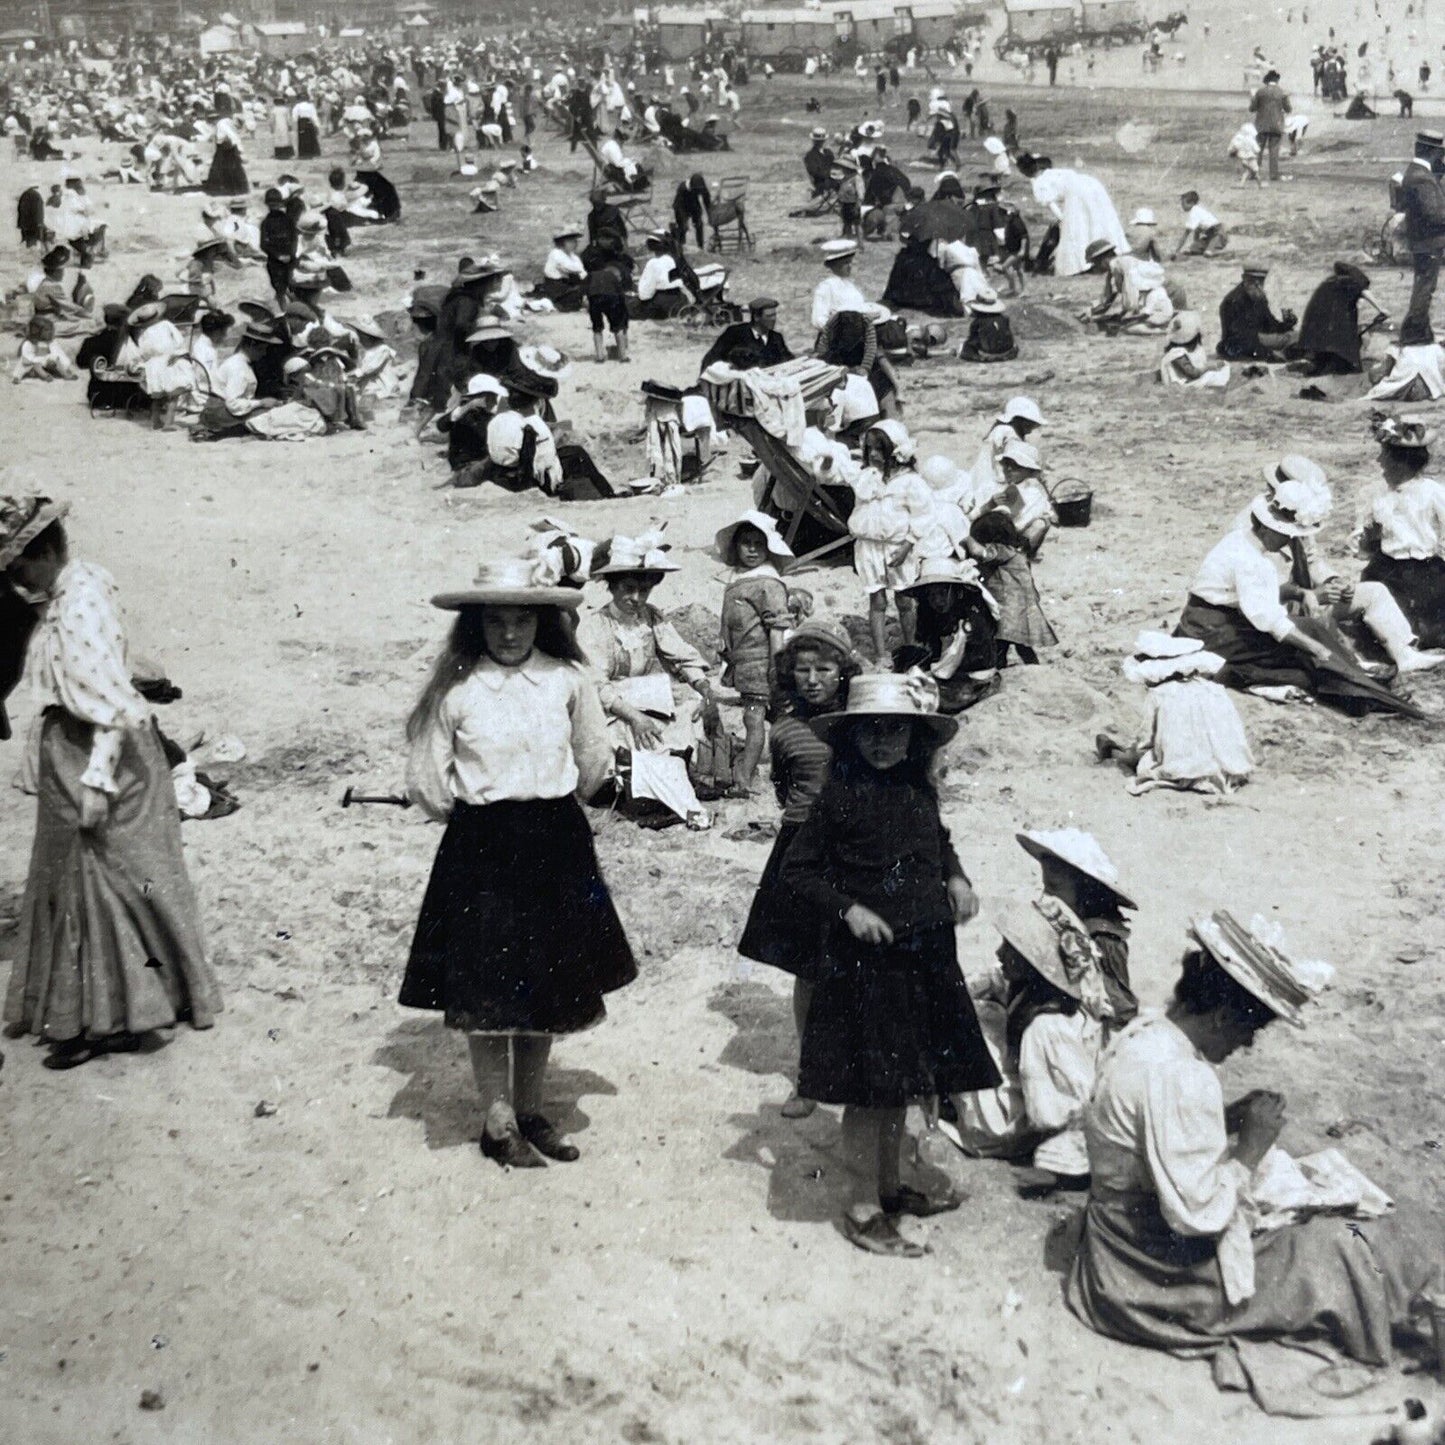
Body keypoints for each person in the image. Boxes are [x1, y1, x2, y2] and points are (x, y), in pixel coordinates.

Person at [1067, 913, 1442, 1395]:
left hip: (1111, 1243)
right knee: (1340, 1250)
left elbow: (1152, 1136)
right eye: (1249, 1031)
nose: (1245, 1044)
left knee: (1314, 1216)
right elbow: (1196, 1216)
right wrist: (1249, 1149)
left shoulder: (1145, 1034)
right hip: (1149, 1273)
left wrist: (1225, 1119)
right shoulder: (1183, 1075)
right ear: (1223, 1016)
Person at [402, 555, 636, 1168]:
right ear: (475, 625)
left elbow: (593, 759)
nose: (510, 634)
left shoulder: (567, 680)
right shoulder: (456, 689)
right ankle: (497, 1120)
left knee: (547, 982)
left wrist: (553, 808)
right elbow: (428, 780)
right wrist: (482, 820)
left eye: (522, 622)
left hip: (555, 840)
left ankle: (531, 1109)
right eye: (496, 622)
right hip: (481, 848)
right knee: (488, 989)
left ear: (542, 623)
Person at [781, 672, 999, 1256]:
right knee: (869, 1088)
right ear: (850, 738)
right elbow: (797, 872)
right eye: (870, 732)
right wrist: (849, 908)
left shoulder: (917, 788)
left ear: (914, 737)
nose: (882, 742)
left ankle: (890, 1183)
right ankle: (860, 1202)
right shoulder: (837, 798)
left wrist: (956, 876)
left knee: (902, 1080)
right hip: (866, 961)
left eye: (894, 731)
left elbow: (938, 839)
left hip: (924, 948)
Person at [1, 497, 221, 1068]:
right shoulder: (76, 588)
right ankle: (137, 1001)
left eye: (18, 566)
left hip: (98, 755)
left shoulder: (77, 607)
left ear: (45, 552)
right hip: (89, 749)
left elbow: (108, 704)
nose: (14, 579)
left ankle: (108, 1019)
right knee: (123, 881)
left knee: (101, 885)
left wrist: (96, 783)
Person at [1175, 459, 1422, 715]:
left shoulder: (1271, 525)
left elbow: (1300, 569)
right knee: (1304, 656)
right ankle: (1364, 692)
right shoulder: (1250, 556)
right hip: (1214, 630)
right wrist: (1314, 646)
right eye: (1284, 533)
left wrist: (1314, 589)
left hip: (1237, 619)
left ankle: (1360, 681)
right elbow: (1269, 617)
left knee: (1311, 637)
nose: (1289, 538)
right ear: (1266, 527)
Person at [738, 619, 861, 1117]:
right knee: (810, 967)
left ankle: (858, 1069)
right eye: (803, 670)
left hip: (857, 847)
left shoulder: (863, 720)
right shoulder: (785, 729)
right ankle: (811, 1076)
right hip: (803, 847)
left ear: (843, 673)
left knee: (862, 964)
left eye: (824, 669)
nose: (813, 679)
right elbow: (785, 787)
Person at [952, 902, 1107, 1192]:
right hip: (1025, 1104)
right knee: (977, 1009)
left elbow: (1075, 1103)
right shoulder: (1026, 988)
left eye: (1009, 950)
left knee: (977, 1022)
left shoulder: (1048, 1027)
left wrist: (1057, 1163)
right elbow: (984, 981)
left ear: (1032, 962)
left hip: (1012, 1129)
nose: (1000, 954)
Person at [577, 532, 718, 826]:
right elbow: (596, 684)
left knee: (688, 707)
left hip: (648, 698)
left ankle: (680, 775)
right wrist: (634, 716)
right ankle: (642, 791)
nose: (636, 598)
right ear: (612, 586)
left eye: (644, 591)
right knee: (631, 739)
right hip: (611, 707)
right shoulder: (595, 626)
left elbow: (681, 655)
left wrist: (704, 687)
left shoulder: (651, 617)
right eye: (629, 589)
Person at [1016, 827, 1137, 1027]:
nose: (1046, 897)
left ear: (1086, 892)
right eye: (1045, 887)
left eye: (1054, 888)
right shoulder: (1062, 923)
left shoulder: (1103, 940)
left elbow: (1119, 1010)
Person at [715, 511, 795, 797]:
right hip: (745, 662)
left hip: (762, 662)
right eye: (746, 543)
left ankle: (744, 778)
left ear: (768, 548)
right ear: (736, 546)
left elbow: (777, 629)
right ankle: (793, 765)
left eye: (758, 544)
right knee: (776, 717)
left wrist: (777, 667)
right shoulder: (740, 579)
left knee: (753, 719)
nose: (752, 549)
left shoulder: (768, 583)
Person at [1358, 415, 1445, 653]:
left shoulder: (1432, 492)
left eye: (1384, 456)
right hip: (1387, 569)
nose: (1379, 461)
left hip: (1424, 568)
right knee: (1378, 617)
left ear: (1401, 462)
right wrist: (1371, 537)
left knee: (1430, 623)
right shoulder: (1377, 495)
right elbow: (1365, 547)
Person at [848, 420, 932, 661]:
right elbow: (839, 472)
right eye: (870, 449)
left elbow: (923, 514)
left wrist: (908, 544)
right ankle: (881, 653)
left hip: (898, 547)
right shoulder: (867, 477)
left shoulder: (910, 482)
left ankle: (910, 645)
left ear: (894, 450)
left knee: (905, 600)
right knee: (877, 600)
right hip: (869, 547)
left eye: (879, 449)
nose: (873, 454)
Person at [487, 360, 613, 500]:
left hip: (504, 470)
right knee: (577, 453)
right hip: (532, 475)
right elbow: (545, 458)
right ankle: (606, 493)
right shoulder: (534, 424)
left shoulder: (497, 420)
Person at [1016, 153, 1129, 277]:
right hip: (1092, 184)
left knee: (1077, 230)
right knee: (1099, 219)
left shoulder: (1038, 182)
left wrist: (1063, 221)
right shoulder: (1055, 173)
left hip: (1077, 192)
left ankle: (1082, 264)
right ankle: (1112, 254)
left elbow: (1053, 207)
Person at [1284, 261, 1385, 374]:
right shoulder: (1350, 282)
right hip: (1331, 344)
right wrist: (1382, 309)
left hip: (1314, 339)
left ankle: (1314, 363)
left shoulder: (1330, 284)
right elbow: (1363, 290)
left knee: (1323, 357)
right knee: (1344, 361)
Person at [1397, 130, 1445, 341]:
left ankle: (1419, 331)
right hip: (1428, 243)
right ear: (1432, 153)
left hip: (1422, 242)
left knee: (1424, 286)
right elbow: (1435, 215)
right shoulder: (1423, 179)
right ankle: (1414, 331)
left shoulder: (1416, 173)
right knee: (1425, 288)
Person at [1081, 240, 1174, 335]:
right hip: (1156, 299)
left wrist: (1124, 317)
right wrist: (1093, 311)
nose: (1097, 268)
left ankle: (1162, 331)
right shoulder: (1118, 267)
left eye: (1096, 263)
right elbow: (1108, 299)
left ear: (1102, 259)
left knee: (1129, 329)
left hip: (1158, 301)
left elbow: (1129, 296)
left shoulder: (1120, 264)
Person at [1217, 261, 1297, 361]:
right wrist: (1268, 354)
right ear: (1244, 279)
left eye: (1261, 280)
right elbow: (1242, 337)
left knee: (1298, 336)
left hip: (1259, 340)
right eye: (1253, 281)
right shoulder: (1233, 301)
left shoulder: (1258, 297)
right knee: (1293, 340)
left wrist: (1287, 324)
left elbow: (1270, 325)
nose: (1257, 284)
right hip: (1240, 344)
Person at [698, 296, 793, 371]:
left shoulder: (776, 338)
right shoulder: (734, 334)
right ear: (756, 317)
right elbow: (710, 359)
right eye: (769, 316)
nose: (774, 319)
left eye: (774, 315)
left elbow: (788, 361)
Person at [1159, 311, 1231, 387]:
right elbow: (1193, 373)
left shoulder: (1191, 349)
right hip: (1185, 382)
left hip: (1194, 376)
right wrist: (1209, 367)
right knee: (1212, 375)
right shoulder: (1177, 354)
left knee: (1222, 368)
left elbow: (1198, 361)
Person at [1249, 68, 1290, 181]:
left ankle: (1253, 173)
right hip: (1276, 125)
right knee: (1274, 150)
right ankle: (1273, 175)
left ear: (1267, 81)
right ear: (1277, 80)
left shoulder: (1260, 92)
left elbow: (1252, 108)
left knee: (1258, 149)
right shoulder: (1282, 92)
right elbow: (1288, 109)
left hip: (1261, 125)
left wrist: (1252, 98)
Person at [260, 187, 298, 306]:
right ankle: (285, 310)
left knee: (291, 289)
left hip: (285, 260)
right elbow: (264, 244)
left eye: (275, 204)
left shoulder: (286, 220)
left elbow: (294, 238)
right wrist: (281, 256)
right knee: (281, 289)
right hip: (277, 261)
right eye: (272, 204)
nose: (274, 206)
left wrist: (288, 255)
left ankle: (292, 309)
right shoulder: (268, 222)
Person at [958, 287, 1018, 362]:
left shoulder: (977, 322)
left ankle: (981, 356)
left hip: (988, 352)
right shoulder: (1004, 318)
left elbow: (973, 340)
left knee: (966, 346)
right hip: (1007, 351)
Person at [12, 315, 78, 383]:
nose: (49, 332)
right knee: (26, 365)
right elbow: (26, 358)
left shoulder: (51, 342)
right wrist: (36, 361)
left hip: (46, 363)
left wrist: (61, 364)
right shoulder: (29, 343)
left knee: (56, 359)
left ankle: (65, 375)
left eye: (50, 330)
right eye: (46, 330)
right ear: (37, 331)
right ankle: (44, 376)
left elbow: (58, 353)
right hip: (33, 364)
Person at [535, 229, 587, 310]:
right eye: (570, 241)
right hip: (556, 287)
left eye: (575, 241)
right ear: (562, 243)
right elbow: (570, 268)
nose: (574, 244)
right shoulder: (556, 253)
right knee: (572, 299)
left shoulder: (573, 256)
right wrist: (580, 272)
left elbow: (582, 272)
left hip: (568, 284)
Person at [1172, 190, 1229, 258]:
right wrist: (1196, 244)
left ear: (1192, 203)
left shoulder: (1194, 212)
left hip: (1219, 234)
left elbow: (1185, 235)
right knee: (1193, 249)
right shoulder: (1197, 211)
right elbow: (1197, 231)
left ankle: (1219, 251)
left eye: (1183, 204)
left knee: (1207, 254)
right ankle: (1212, 248)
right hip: (1210, 236)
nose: (1182, 206)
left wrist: (1177, 251)